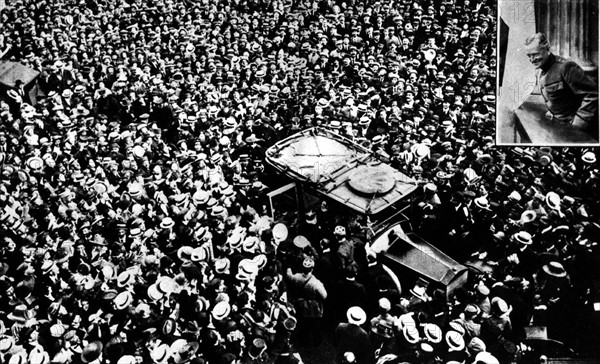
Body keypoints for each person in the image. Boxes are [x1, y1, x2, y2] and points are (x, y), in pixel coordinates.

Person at [524, 32, 598, 132]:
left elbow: (592, 94)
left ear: (547, 49)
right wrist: (553, 112)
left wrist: (578, 124)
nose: (532, 60)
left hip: (576, 128)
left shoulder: (565, 67)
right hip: (558, 125)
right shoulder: (539, 71)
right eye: (529, 56)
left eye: (535, 54)